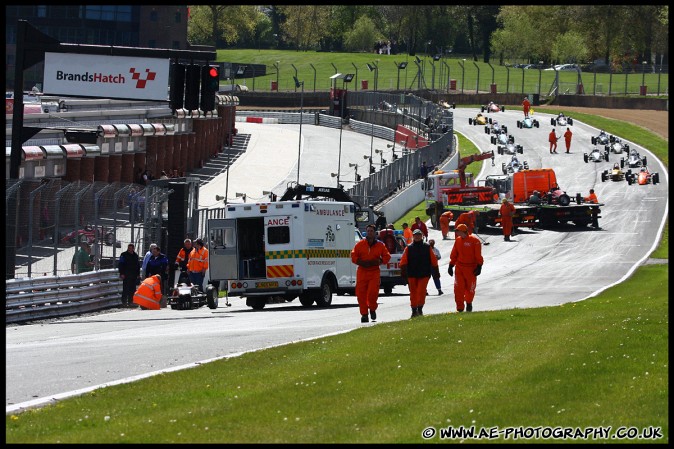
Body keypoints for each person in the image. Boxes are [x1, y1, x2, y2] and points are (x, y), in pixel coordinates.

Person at [351, 224, 391, 323]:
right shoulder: (360, 244)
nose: (369, 232)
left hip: (374, 272)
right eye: (368, 231)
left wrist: (379, 262)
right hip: (362, 271)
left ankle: (372, 308)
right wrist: (360, 262)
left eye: (371, 231)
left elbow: (387, 256)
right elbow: (353, 255)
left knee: (372, 294)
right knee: (361, 295)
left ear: (375, 233)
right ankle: (364, 314)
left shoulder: (380, 245)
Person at [400, 229, 440, 317]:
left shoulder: (427, 247)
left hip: (424, 274)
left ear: (422, 236)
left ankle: (420, 308)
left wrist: (436, 272)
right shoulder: (409, 248)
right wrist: (403, 272)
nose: (417, 236)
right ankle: (414, 310)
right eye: (415, 235)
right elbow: (403, 261)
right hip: (412, 274)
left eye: (419, 235)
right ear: (413, 236)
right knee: (413, 292)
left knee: (421, 291)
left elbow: (434, 260)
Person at [447, 224, 483, 313]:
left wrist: (479, 266)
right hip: (459, 268)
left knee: (470, 289)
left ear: (463, 231)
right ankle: (460, 308)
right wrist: (451, 265)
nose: (456, 232)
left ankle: (469, 304)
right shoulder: (458, 240)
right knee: (458, 288)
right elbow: (454, 254)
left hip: (471, 268)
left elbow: (478, 255)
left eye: (458, 230)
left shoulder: (475, 241)